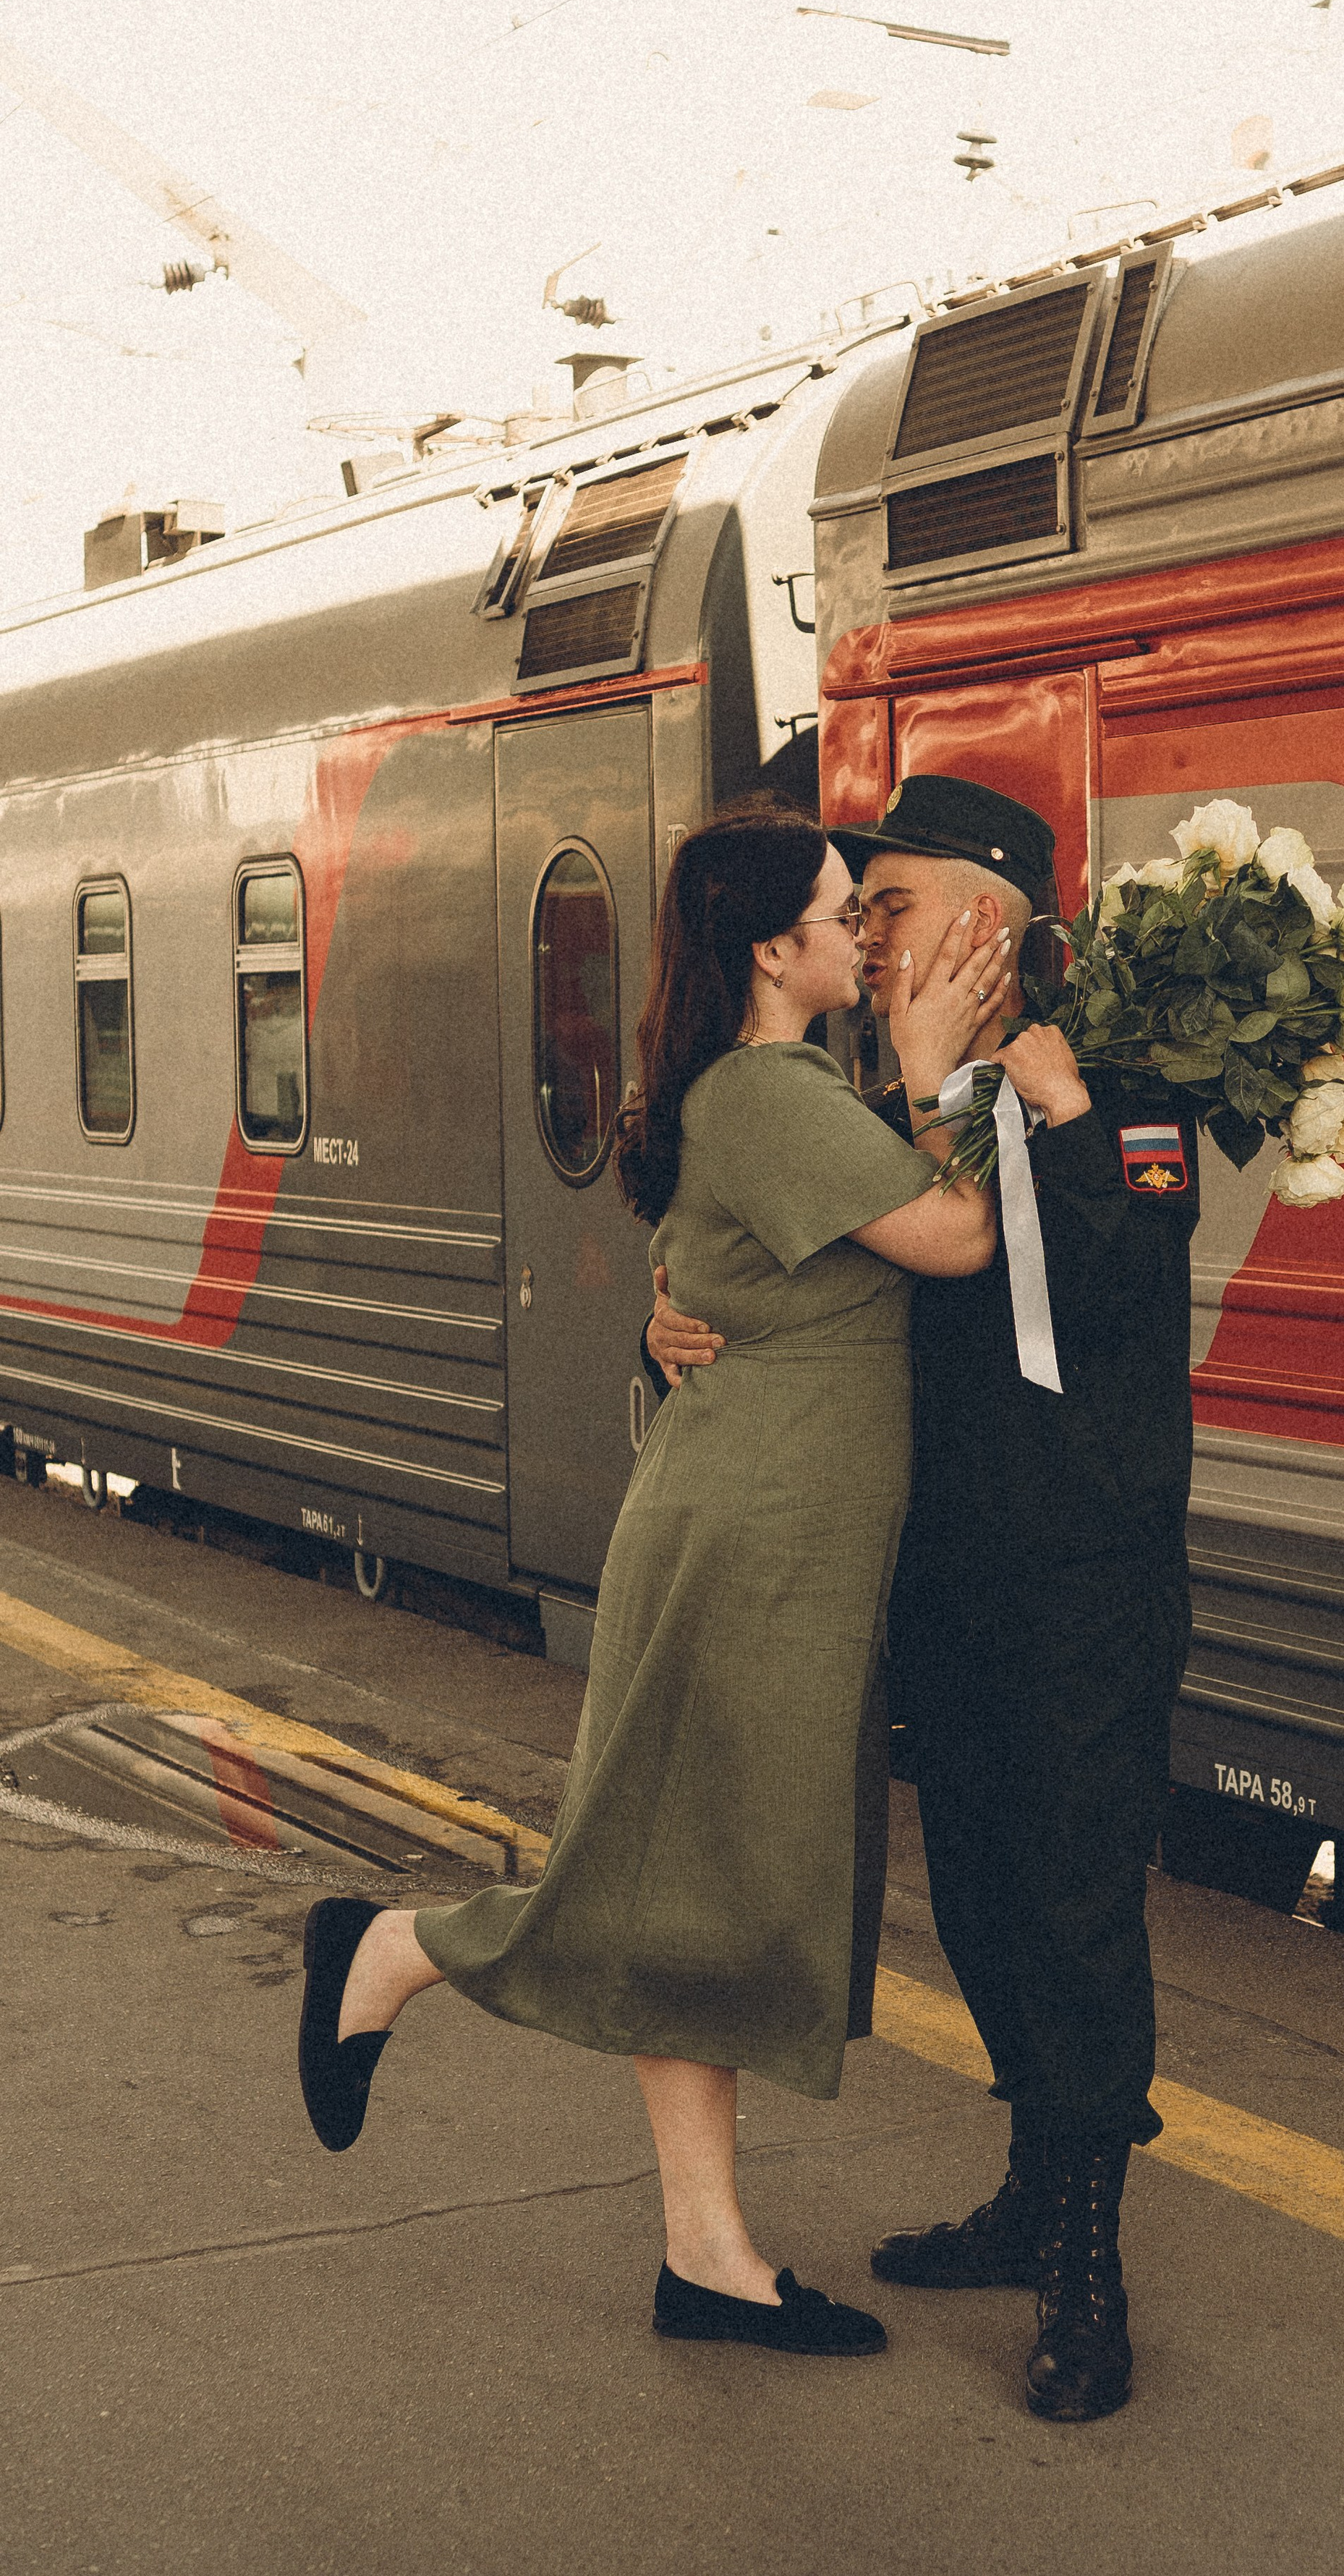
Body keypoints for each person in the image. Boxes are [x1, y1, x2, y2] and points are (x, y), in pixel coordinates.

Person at [296, 799, 1003, 2361]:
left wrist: (903, 1075)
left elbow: (741, 1269)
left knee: (716, 1884)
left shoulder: (785, 1084)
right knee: (684, 1872)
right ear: (775, 949)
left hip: (770, 1529)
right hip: (751, 1539)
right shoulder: (765, 1088)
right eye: (844, 913)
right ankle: (400, 1949)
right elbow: (954, 1238)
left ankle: (706, 2258)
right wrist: (949, 1072)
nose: (864, 934)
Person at [648, 775, 1200, 2422]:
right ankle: (1033, 2187)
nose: (867, 938)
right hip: (934, 1566)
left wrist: (1047, 1098)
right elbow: (767, 1270)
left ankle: (1084, 2263)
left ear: (990, 915)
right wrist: (670, 1323)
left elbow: (1114, 1275)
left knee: (1077, 1908)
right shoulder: (859, 1093)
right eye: (856, 914)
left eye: (889, 908)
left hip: (1089, 1571)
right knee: (974, 1900)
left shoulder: (1134, 1081)